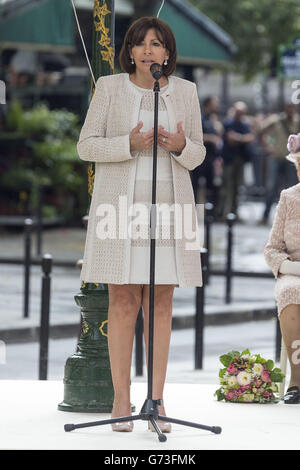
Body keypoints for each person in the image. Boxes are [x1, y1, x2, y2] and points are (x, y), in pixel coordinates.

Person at [77, 17, 206, 432]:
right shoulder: (110, 88)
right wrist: (127, 144)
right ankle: (120, 400)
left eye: (157, 44)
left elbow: (199, 152)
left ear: (168, 53)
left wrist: (181, 145)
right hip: (120, 207)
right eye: (140, 44)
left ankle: (158, 399)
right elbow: (86, 146)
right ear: (129, 52)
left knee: (161, 302)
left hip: (170, 208)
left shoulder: (186, 92)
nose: (148, 50)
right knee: (123, 300)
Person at [264, 139, 300, 404]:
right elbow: (272, 249)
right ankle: (297, 380)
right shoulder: (289, 197)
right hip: (294, 273)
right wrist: (292, 267)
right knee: (289, 291)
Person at [259, 103, 299, 224]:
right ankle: (265, 216)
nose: (290, 111)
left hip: (291, 159)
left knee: (291, 188)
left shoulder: (297, 121)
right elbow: (260, 131)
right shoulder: (275, 120)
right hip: (276, 158)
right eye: (288, 108)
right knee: (271, 188)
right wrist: (268, 145)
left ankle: (290, 218)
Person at [217, 101, 255, 220]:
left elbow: (250, 138)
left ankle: (234, 213)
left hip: (241, 160)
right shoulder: (228, 123)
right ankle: (221, 212)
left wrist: (238, 138)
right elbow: (230, 139)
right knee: (226, 186)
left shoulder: (244, 124)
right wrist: (242, 138)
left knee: (237, 187)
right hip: (229, 160)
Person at [190, 96, 222, 209]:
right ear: (208, 105)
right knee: (196, 184)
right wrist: (210, 138)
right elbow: (193, 135)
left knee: (211, 185)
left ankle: (210, 211)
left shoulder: (213, 120)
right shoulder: (200, 118)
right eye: (215, 103)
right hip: (200, 158)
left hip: (211, 158)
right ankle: (194, 209)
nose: (217, 106)